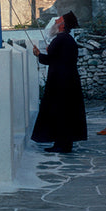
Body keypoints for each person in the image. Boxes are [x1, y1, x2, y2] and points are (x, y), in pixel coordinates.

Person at [31, 11, 87, 153]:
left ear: (62, 26)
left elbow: (51, 60)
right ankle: (64, 144)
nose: (56, 21)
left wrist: (38, 54)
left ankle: (61, 144)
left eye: (58, 20)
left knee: (60, 112)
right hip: (68, 80)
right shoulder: (66, 39)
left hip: (61, 83)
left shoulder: (60, 39)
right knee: (66, 113)